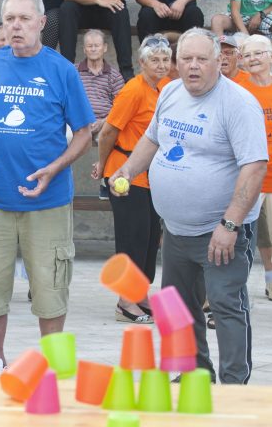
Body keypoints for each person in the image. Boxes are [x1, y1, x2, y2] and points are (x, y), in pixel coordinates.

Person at [110, 28, 267, 384]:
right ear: (176, 62)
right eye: (186, 59)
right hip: (177, 229)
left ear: (220, 62)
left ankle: (233, 383)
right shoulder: (170, 91)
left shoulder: (239, 104)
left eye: (202, 59)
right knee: (179, 307)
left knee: (227, 307)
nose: (193, 67)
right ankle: (195, 374)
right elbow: (152, 139)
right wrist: (128, 168)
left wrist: (229, 225)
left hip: (221, 231)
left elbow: (255, 166)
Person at [0, 0, 94, 378]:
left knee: (50, 287)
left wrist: (54, 169)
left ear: (42, 22)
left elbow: (84, 133)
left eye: (24, 18)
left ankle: (53, 365)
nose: (16, 25)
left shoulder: (62, 70)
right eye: (9, 19)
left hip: (48, 201)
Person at [92, 33, 172, 323]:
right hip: (125, 172)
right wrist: (102, 167)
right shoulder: (132, 91)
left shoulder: (164, 88)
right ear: (141, 63)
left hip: (152, 175)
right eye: (155, 60)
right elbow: (108, 132)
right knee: (132, 239)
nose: (161, 65)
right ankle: (125, 302)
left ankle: (140, 294)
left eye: (165, 59)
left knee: (150, 238)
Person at [239, 35, 272, 300]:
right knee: (248, 238)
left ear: (270, 55)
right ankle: (239, 289)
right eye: (248, 55)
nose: (253, 59)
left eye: (258, 53)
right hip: (249, 178)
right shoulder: (238, 88)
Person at [59, 0, 134, 81]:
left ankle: (126, 70)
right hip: (81, 8)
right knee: (67, 8)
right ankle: (66, 69)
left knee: (120, 10)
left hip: (108, 9)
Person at [77, 29, 125, 143]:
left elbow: (121, 107)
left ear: (105, 48)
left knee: (111, 137)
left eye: (97, 46)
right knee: (65, 135)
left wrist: (103, 122)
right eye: (89, 46)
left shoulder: (114, 76)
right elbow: (66, 101)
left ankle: (103, 162)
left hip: (104, 124)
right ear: (84, 49)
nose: (93, 49)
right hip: (77, 123)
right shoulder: (73, 72)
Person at [135, 0, 204, 42]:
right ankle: (149, 57)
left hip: (184, 7)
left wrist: (182, 1)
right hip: (154, 8)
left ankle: (191, 56)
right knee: (146, 16)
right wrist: (155, 4)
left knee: (195, 14)